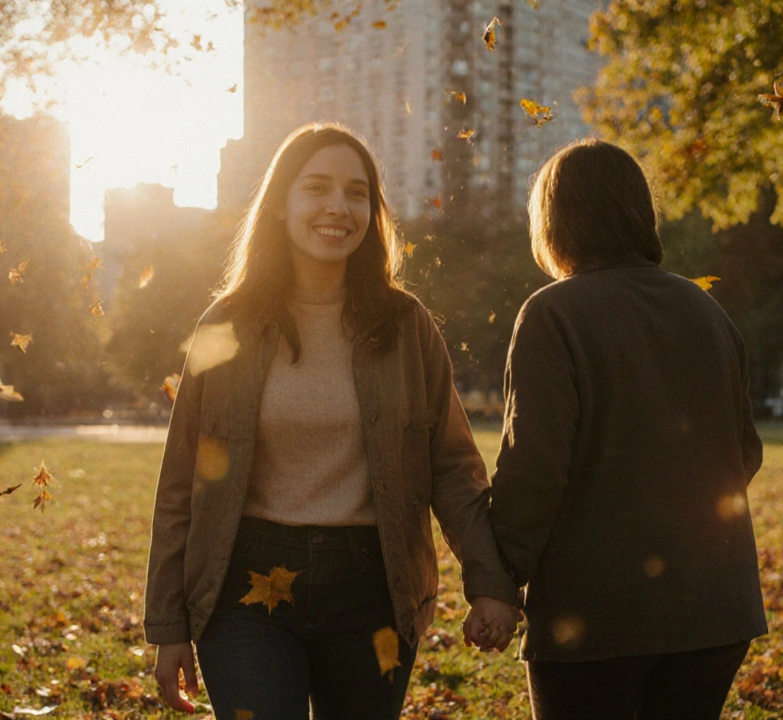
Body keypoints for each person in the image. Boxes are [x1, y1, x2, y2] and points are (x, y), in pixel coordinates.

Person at [144, 122, 520, 719]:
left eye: (356, 193)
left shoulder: (406, 325)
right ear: (280, 205)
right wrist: (168, 624)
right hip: (245, 591)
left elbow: (452, 467)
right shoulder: (227, 324)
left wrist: (491, 583)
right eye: (316, 187)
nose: (337, 208)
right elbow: (180, 485)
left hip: (374, 590)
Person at [489, 139, 767, 720]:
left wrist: (499, 577)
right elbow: (744, 452)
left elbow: (533, 469)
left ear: (552, 221)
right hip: (716, 609)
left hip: (594, 617)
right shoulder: (706, 310)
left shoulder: (552, 313)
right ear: (640, 213)